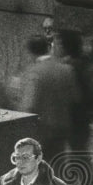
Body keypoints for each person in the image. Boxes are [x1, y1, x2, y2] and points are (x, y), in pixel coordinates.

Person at [18, 35, 79, 164]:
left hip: (41, 130)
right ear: (48, 49)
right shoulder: (67, 69)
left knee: (40, 167)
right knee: (58, 166)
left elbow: (28, 105)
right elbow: (75, 97)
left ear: (30, 53)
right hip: (63, 127)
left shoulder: (33, 72)